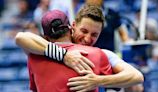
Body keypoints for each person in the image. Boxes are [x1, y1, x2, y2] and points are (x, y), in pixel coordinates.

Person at [16, 4, 144, 92]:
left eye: (94, 35)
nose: (88, 39)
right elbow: (21, 37)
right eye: (84, 31)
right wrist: (65, 56)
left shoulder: (103, 54)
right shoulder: (41, 51)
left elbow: (136, 76)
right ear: (73, 26)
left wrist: (97, 80)